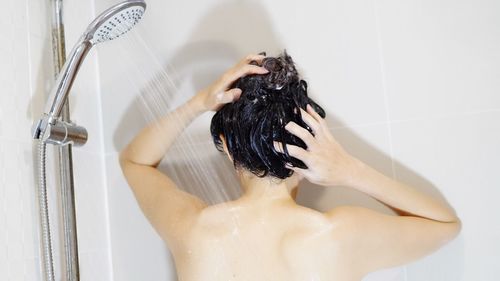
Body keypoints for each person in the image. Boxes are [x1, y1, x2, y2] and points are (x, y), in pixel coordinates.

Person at [119, 52, 461, 281]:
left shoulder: (194, 230)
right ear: (307, 146)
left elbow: (134, 160)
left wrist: (198, 103)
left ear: (224, 143)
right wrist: (348, 170)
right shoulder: (335, 236)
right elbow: (444, 225)